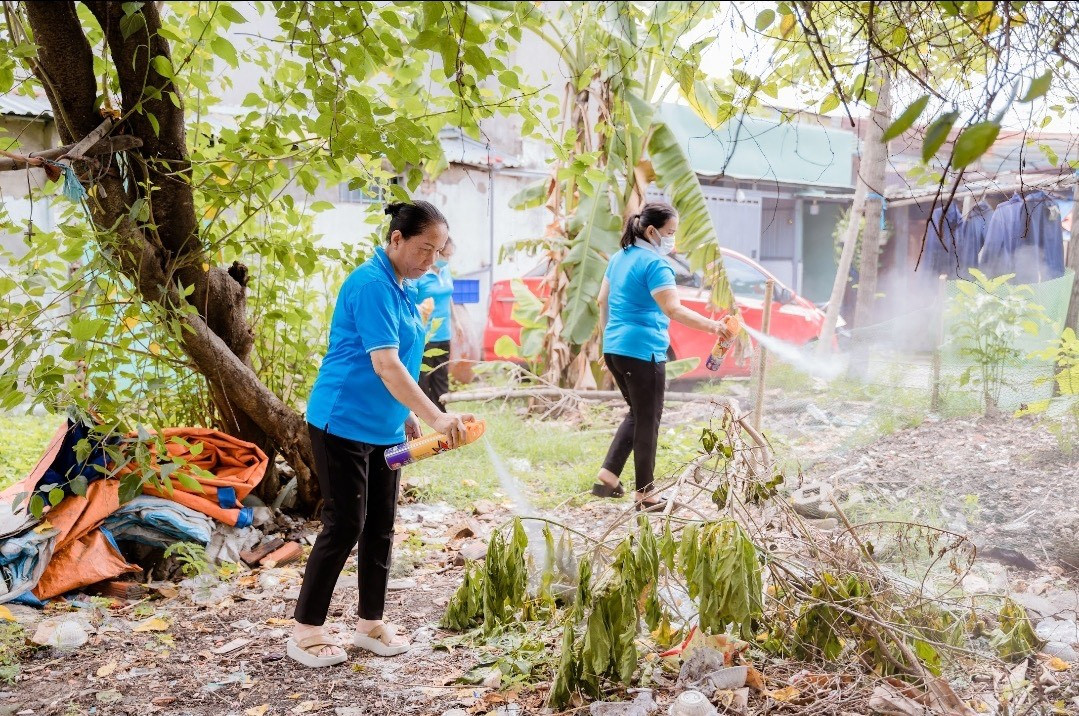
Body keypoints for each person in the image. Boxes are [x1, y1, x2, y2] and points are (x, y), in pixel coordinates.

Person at [289, 201, 475, 667]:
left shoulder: (402, 285)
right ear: (396, 240)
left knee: (381, 524)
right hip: (341, 422)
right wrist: (435, 417)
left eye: (437, 251)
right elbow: (385, 364)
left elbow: (404, 358)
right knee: (346, 522)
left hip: (385, 428)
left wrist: (407, 415)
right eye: (423, 248)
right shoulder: (372, 284)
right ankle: (305, 630)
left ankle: (370, 624)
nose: (430, 260)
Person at [591, 202, 734, 511]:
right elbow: (673, 309)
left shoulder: (619, 258)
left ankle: (608, 475)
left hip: (616, 349)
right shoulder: (656, 265)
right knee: (648, 421)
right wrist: (714, 326)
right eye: (670, 233)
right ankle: (645, 494)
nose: (674, 240)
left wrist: (606, 344)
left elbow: (602, 301)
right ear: (652, 231)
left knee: (638, 414)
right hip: (644, 350)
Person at [413, 237, 456, 411]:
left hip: (444, 332)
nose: (447, 259)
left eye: (450, 256)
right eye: (445, 255)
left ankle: (442, 415)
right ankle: (422, 414)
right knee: (423, 377)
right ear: (436, 252)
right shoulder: (420, 275)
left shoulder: (446, 272)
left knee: (442, 377)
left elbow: (449, 297)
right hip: (426, 334)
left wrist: (457, 323)